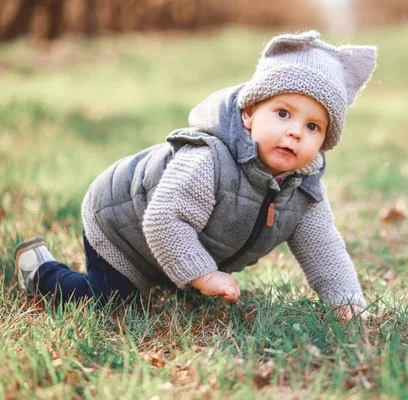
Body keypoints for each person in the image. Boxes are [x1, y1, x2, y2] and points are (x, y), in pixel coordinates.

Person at [15, 30, 377, 322]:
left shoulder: (303, 188)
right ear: (250, 112)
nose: (296, 132)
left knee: (173, 287)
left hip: (174, 243)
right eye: (283, 113)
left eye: (312, 126)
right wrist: (203, 275)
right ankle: (39, 270)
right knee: (112, 302)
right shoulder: (208, 159)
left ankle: (178, 273)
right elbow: (163, 220)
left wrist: (347, 303)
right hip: (121, 223)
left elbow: (324, 249)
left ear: (325, 141)